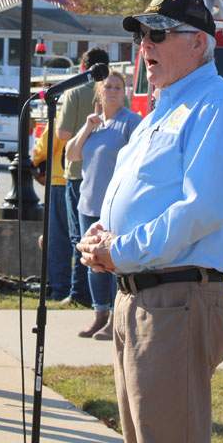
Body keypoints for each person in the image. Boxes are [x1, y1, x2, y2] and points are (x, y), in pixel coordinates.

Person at [77, 0, 223, 443]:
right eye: (141, 36)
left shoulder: (219, 105)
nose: (145, 46)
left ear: (198, 43)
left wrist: (121, 249)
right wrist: (104, 235)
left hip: (177, 298)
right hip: (139, 294)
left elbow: (204, 206)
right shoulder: (164, 107)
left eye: (158, 34)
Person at [64, 71, 141, 339]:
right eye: (107, 86)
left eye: (118, 87)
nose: (112, 91)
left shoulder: (131, 122)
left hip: (114, 208)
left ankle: (117, 320)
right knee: (92, 263)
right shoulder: (95, 123)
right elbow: (71, 154)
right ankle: (100, 316)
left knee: (113, 265)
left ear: (125, 92)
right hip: (88, 203)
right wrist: (87, 127)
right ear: (99, 92)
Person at [55, 47, 111, 307]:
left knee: (79, 235)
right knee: (104, 235)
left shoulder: (75, 92)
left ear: (82, 69)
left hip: (77, 172)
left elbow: (63, 133)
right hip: (106, 173)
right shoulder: (114, 93)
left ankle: (79, 292)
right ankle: (99, 294)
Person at [32, 117, 72, 302]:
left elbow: (43, 149)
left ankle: (60, 287)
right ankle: (86, 288)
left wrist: (36, 163)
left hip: (60, 179)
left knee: (57, 238)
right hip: (93, 182)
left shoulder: (61, 118)